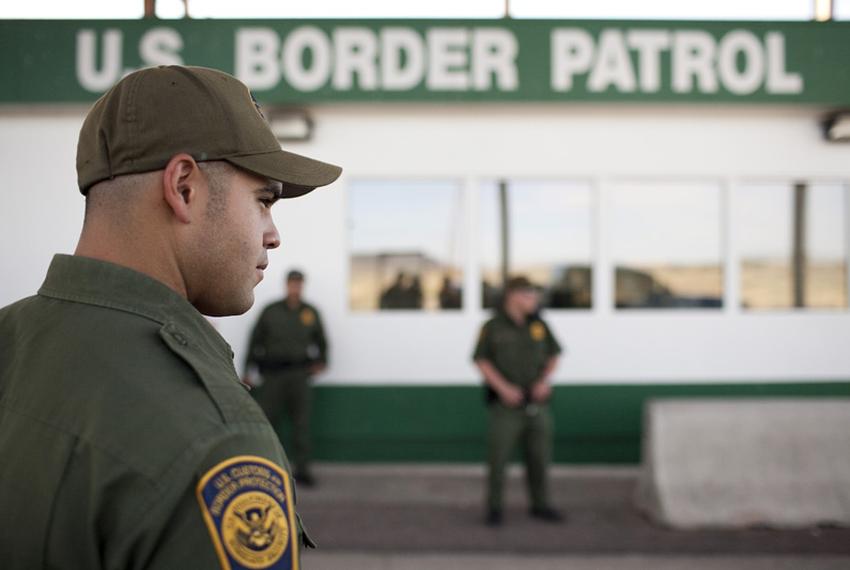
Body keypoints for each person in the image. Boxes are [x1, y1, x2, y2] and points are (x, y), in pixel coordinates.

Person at [0, 65, 341, 569]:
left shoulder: (12, 339)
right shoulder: (216, 436)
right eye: (263, 200)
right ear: (183, 187)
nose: (273, 235)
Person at [473, 276, 564, 527]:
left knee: (539, 458)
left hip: (537, 404)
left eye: (535, 295)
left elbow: (554, 355)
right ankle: (494, 508)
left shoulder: (540, 326)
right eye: (529, 294)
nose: (534, 300)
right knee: (498, 459)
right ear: (512, 295)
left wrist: (544, 381)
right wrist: (503, 389)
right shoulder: (492, 326)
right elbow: (481, 360)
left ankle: (540, 504)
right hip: (506, 406)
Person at [245, 270, 328, 486]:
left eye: (299, 284)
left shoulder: (310, 312)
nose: (295, 288)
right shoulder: (271, 312)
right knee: (267, 422)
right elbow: (255, 340)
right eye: (292, 283)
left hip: (300, 375)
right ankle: (265, 468)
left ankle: (302, 470)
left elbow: (321, 340)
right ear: (286, 285)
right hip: (273, 375)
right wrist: (248, 370)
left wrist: (322, 361)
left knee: (301, 424)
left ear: (302, 286)